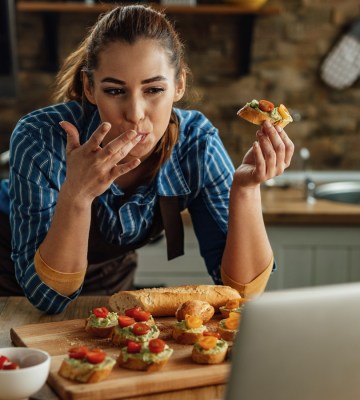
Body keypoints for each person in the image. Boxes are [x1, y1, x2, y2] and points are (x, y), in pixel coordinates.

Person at [0, 4, 294, 314]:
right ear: (89, 88)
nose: (135, 113)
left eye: (154, 89)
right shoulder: (40, 137)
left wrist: (246, 189)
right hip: (13, 286)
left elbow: (240, 294)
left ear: (179, 84)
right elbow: (46, 297)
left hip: (108, 281)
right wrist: (76, 194)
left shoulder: (197, 144)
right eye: (115, 91)